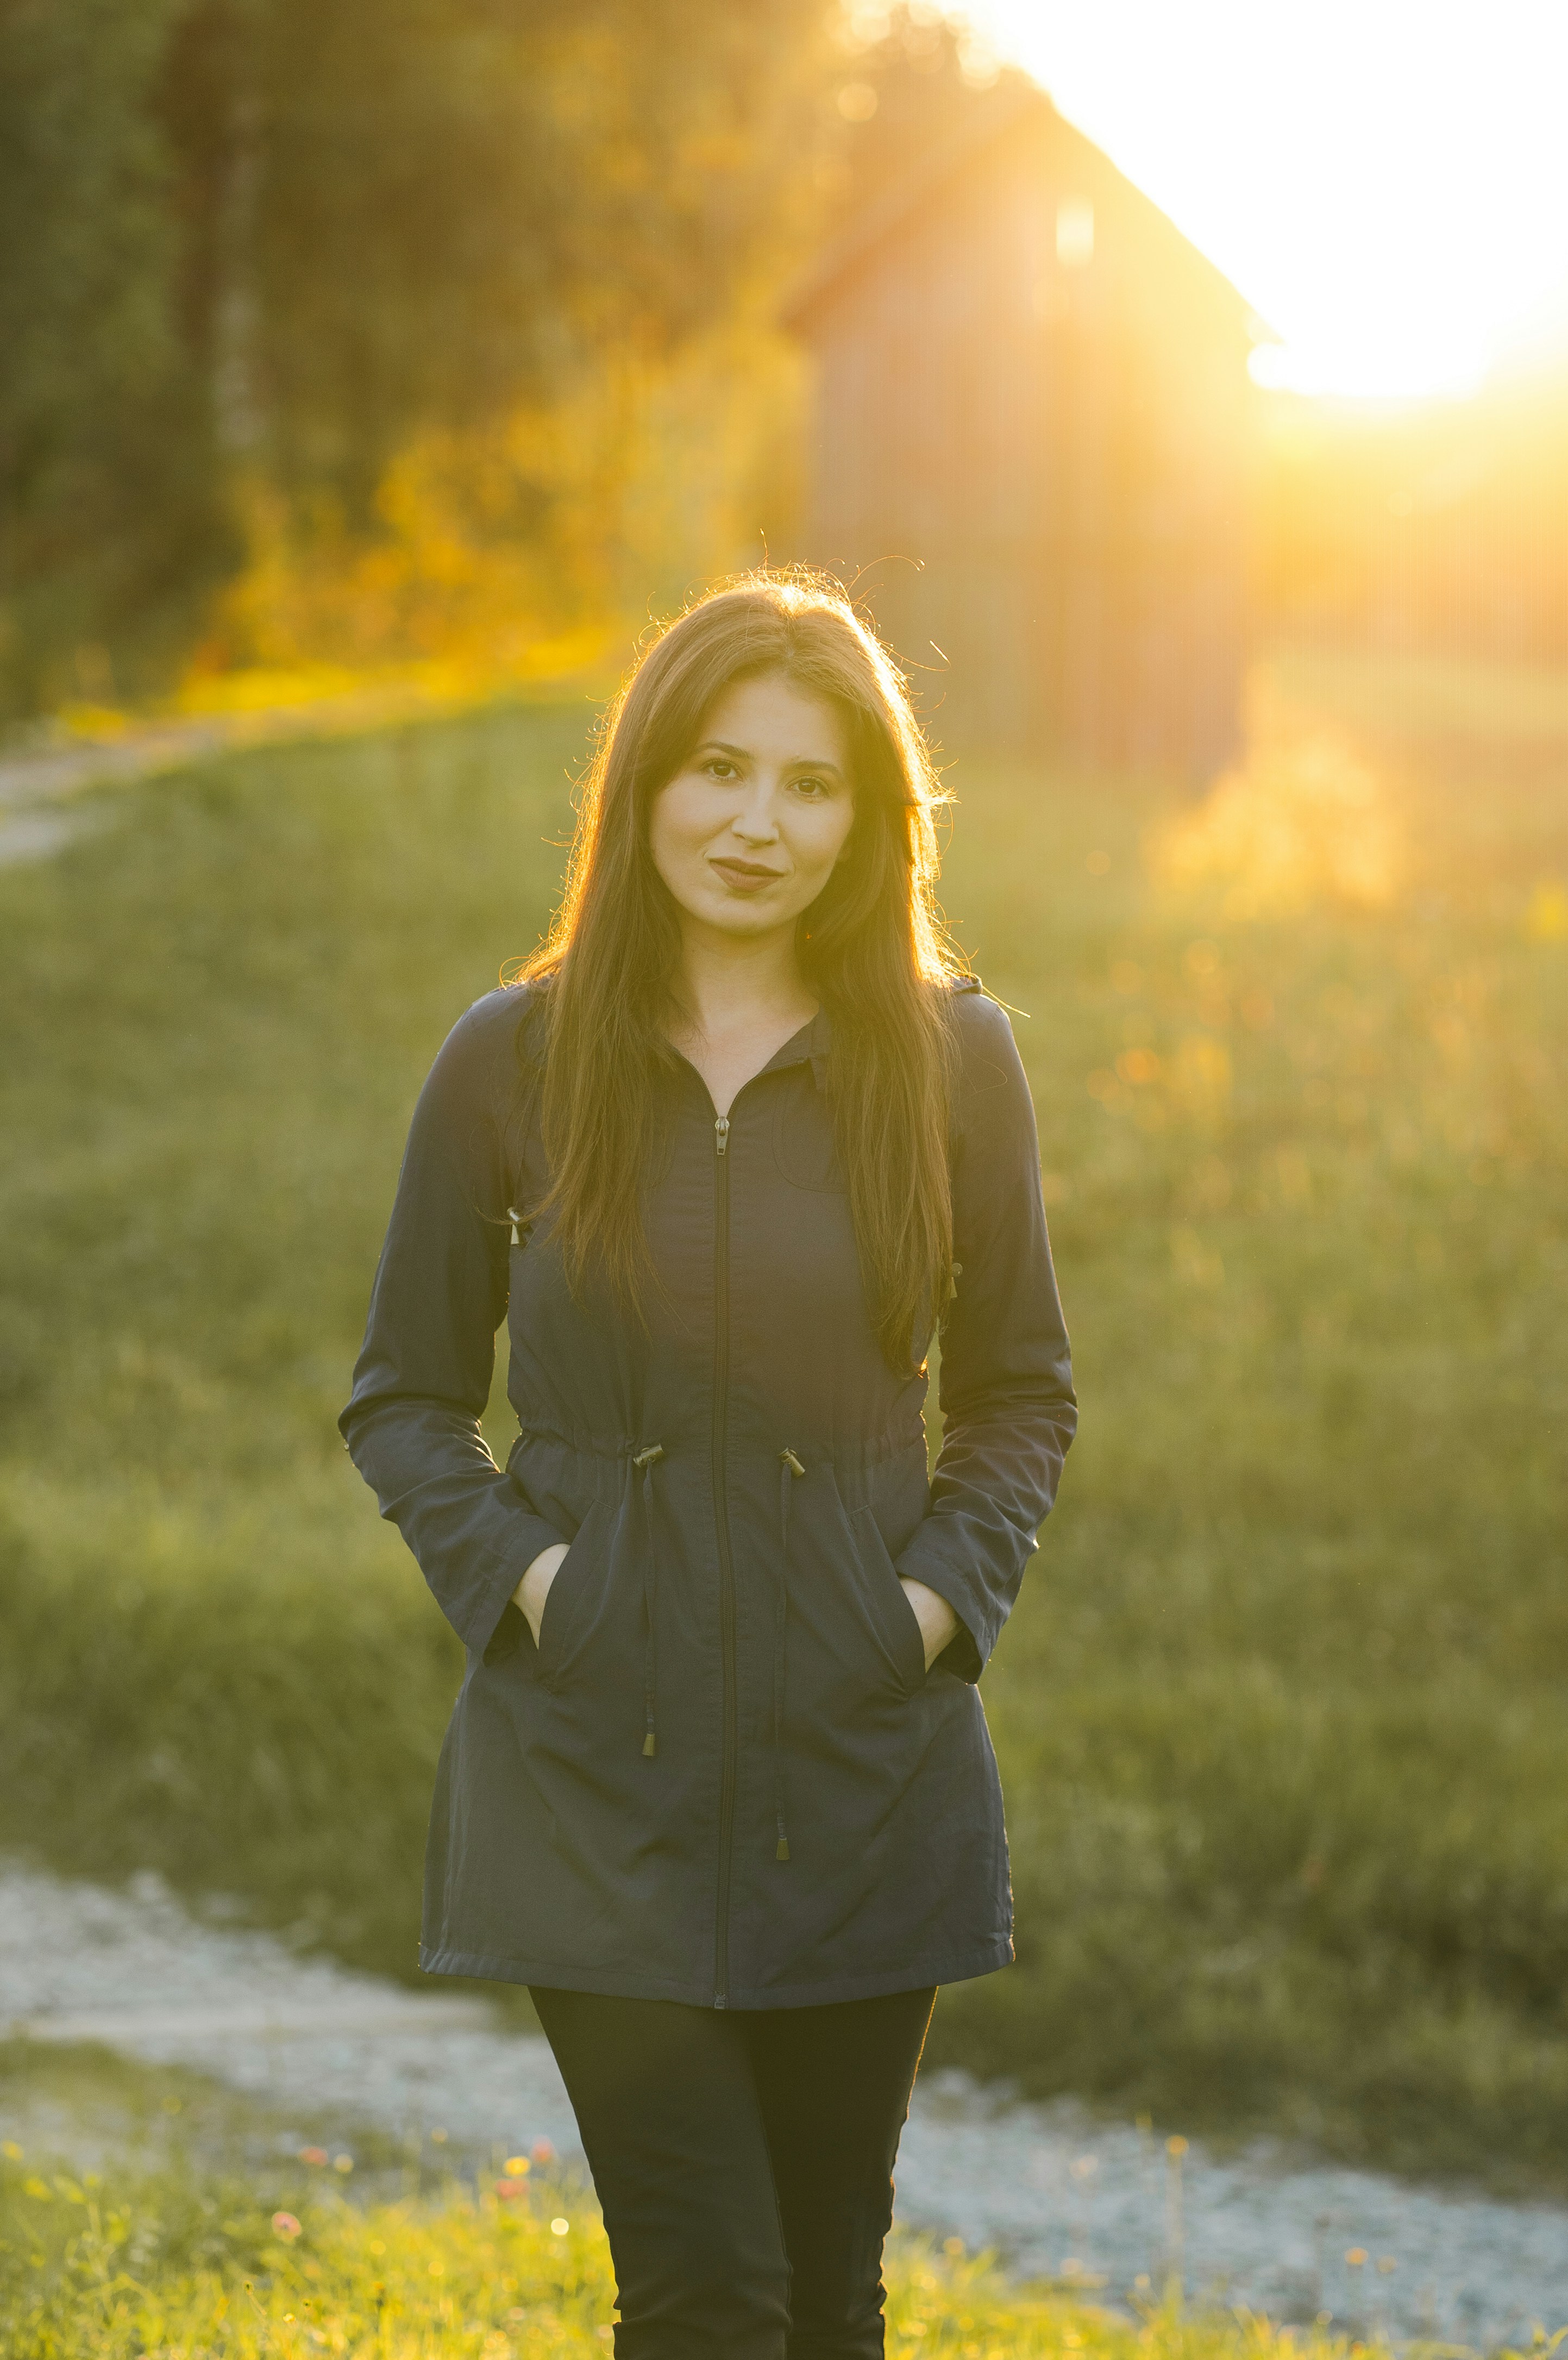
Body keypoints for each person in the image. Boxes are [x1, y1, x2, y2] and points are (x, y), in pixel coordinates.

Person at [341, 575, 1076, 2359]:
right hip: (595, 1771)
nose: (759, 823)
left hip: (867, 1774)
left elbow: (1020, 1396)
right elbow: (405, 1399)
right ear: (647, 784)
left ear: (869, 818)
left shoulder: (953, 1058)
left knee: (826, 2301)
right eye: (721, 770)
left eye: (812, 785)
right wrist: (545, 1591)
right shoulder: (512, 1058)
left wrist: (924, 1615)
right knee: (707, 2299)